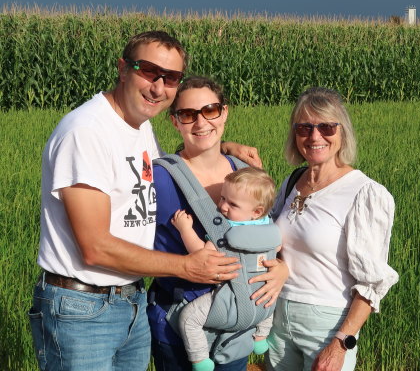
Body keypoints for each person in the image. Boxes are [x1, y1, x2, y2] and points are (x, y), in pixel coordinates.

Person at [28, 31, 260, 371]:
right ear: (123, 69)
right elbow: (95, 247)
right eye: (148, 72)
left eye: (171, 78)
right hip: (82, 309)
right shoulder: (87, 131)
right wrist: (186, 267)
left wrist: (222, 147)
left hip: (130, 301)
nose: (158, 87)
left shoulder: (139, 128)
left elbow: (171, 168)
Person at [148, 76, 288, 371]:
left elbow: (264, 232)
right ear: (175, 122)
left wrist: (281, 268)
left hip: (238, 323)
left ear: (224, 112)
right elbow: (127, 244)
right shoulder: (159, 179)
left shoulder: (244, 172)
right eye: (187, 114)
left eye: (209, 110)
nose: (200, 123)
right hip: (180, 324)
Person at [267, 87, 399, 371]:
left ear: (342, 132)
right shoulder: (292, 181)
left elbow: (372, 282)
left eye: (326, 127)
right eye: (304, 128)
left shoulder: (363, 192)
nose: (315, 136)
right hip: (279, 319)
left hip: (327, 325)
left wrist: (341, 342)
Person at [172, 167, 281, 371]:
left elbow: (200, 254)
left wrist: (185, 229)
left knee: (189, 318)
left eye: (232, 204)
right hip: (262, 296)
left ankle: (200, 359)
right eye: (222, 198)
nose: (222, 207)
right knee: (270, 304)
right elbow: (277, 249)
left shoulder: (227, 231)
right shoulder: (269, 226)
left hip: (232, 295)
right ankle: (260, 337)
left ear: (256, 211)